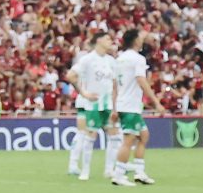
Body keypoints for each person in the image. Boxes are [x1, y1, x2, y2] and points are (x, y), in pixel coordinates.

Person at [107, 28, 156, 185]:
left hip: (123, 104)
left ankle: (139, 172)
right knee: (128, 140)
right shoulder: (138, 59)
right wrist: (156, 102)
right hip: (130, 106)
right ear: (135, 41)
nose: (142, 40)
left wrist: (115, 108)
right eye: (140, 38)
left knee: (143, 135)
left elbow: (114, 86)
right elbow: (141, 80)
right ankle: (119, 174)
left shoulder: (119, 59)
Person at [66, 34, 115, 183]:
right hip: (91, 104)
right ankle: (81, 168)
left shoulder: (112, 61)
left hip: (108, 105)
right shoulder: (87, 59)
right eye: (108, 39)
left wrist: (115, 105)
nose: (111, 42)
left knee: (114, 136)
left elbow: (114, 84)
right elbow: (70, 75)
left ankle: (109, 170)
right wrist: (84, 93)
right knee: (87, 135)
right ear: (99, 40)